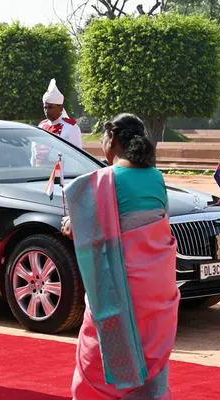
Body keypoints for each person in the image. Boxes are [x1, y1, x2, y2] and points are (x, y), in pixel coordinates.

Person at [61, 113, 179, 399]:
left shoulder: (104, 181)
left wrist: (71, 224)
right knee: (150, 360)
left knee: (97, 361)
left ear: (111, 138)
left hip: (121, 288)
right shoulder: (156, 177)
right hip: (157, 291)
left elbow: (83, 230)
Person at [32, 78, 83, 167]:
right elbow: (34, 153)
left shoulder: (71, 127)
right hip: (39, 174)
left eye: (51, 107)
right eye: (45, 107)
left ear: (60, 108)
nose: (47, 111)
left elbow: (76, 157)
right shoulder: (41, 125)